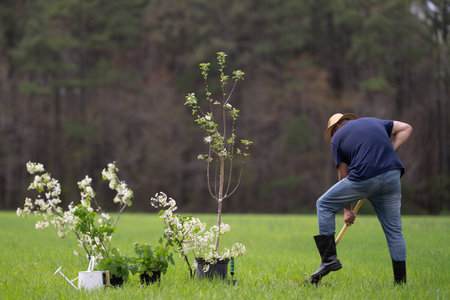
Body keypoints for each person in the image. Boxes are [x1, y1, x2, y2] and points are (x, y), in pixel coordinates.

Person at [308, 113, 413, 285]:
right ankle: (400, 282)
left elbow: (343, 175)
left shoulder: (337, 138)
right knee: (394, 231)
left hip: (365, 177)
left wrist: (347, 209)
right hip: (392, 174)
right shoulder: (375, 122)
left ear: (334, 129)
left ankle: (328, 260)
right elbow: (406, 128)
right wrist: (390, 150)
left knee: (324, 204)